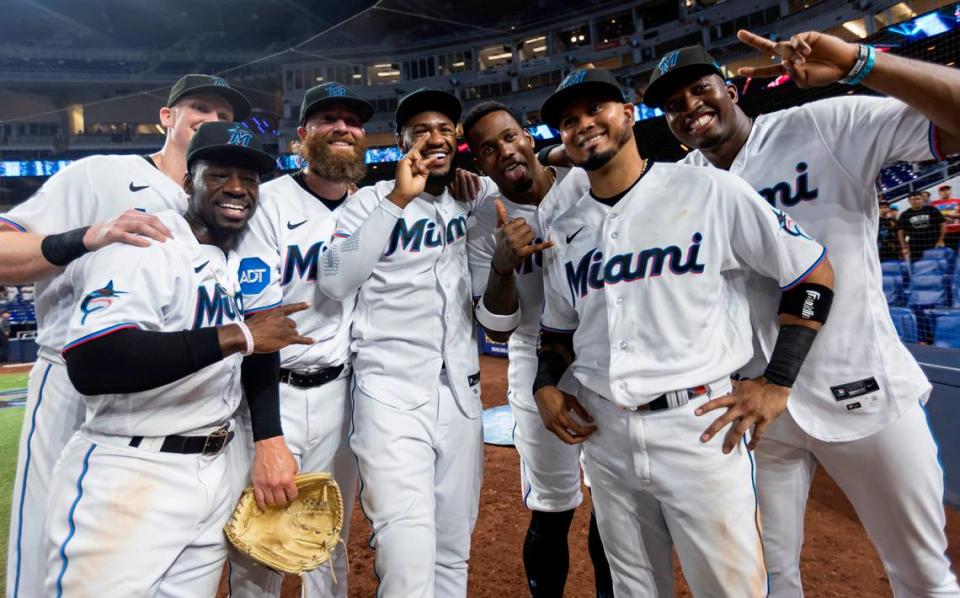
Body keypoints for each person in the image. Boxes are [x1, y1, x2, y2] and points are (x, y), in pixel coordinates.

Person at [648, 31, 960, 596]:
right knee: (766, 579)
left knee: (922, 576)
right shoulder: (681, 185)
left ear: (733, 89)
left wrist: (863, 63)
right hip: (756, 409)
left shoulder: (822, 124)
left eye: (700, 89)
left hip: (863, 391)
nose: (689, 107)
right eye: (672, 104)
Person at [533, 67, 834, 597]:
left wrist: (778, 381)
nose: (583, 125)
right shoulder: (566, 229)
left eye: (595, 110)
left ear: (628, 114)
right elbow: (559, 329)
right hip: (605, 436)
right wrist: (545, 385)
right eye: (568, 120)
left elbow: (811, 272)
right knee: (632, 589)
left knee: (729, 589)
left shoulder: (708, 189)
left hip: (699, 428)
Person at [0, 73, 251, 598]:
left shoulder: (236, 202)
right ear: (167, 117)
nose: (211, 119)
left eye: (224, 116)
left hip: (188, 389)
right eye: (199, 107)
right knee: (47, 542)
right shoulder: (99, 174)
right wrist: (84, 237)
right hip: (78, 374)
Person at [47, 121, 307, 596]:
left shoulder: (232, 256)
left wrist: (269, 437)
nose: (237, 189)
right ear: (188, 181)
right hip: (130, 473)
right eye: (219, 175)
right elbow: (91, 361)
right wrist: (240, 334)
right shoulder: (145, 241)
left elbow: (259, 349)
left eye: (249, 179)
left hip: (215, 469)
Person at [316, 88, 500, 597]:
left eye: (444, 128)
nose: (434, 138)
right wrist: (399, 198)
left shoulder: (476, 196)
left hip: (461, 394)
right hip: (390, 392)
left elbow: (530, 180)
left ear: (458, 137)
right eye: (420, 131)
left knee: (453, 547)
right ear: (401, 142)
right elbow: (333, 280)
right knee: (404, 549)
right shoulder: (370, 203)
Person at [461, 101, 613, 598]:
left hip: (604, 355)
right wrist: (502, 266)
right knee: (552, 506)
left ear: (527, 135)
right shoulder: (484, 222)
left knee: (614, 502)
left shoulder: (583, 180)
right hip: (532, 363)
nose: (504, 152)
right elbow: (496, 330)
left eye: (508, 137)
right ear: (480, 166)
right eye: (488, 149)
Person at [230, 82, 373, 597]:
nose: (342, 127)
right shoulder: (268, 203)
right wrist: (267, 432)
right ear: (302, 136)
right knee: (259, 548)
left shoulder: (373, 209)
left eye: (351, 121)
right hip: (274, 393)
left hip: (342, 397)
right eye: (327, 119)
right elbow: (259, 327)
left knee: (329, 541)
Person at [898, 191, 946, 262]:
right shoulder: (905, 214)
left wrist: (941, 240)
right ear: (909, 201)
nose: (916, 201)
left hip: (933, 244)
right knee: (918, 267)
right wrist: (904, 247)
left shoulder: (932, 209)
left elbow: (943, 224)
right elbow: (901, 232)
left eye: (918, 199)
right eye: (913, 199)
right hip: (915, 247)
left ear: (922, 199)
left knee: (935, 265)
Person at [930, 184, 960, 250]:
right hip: (942, 233)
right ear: (939, 193)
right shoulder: (933, 204)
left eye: (947, 190)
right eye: (943, 190)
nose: (945, 192)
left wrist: (952, 215)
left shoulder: (958, 201)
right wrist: (944, 218)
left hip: (957, 231)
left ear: (950, 191)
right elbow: (932, 217)